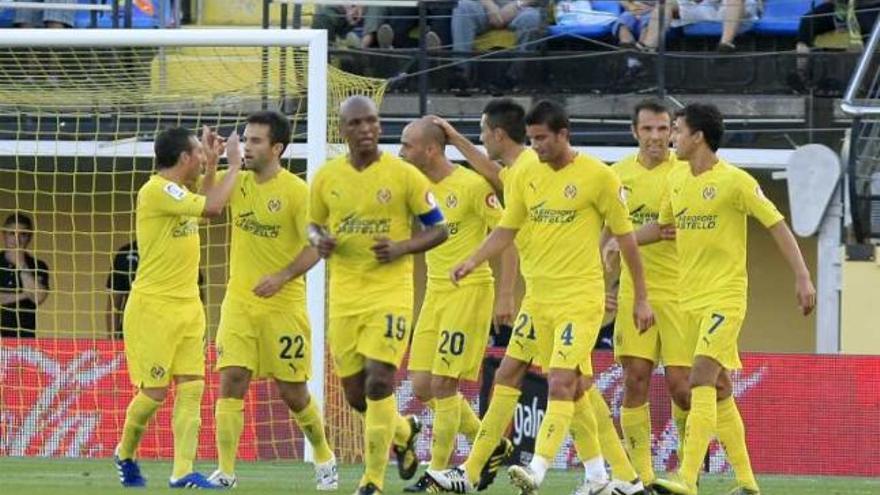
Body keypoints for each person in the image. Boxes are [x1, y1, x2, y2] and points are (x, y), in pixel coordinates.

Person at [427, 100, 653, 495]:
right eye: (532, 140)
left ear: (564, 134)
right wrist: (471, 259)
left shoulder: (599, 177)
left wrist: (640, 298)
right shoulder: (526, 172)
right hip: (538, 299)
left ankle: (538, 468)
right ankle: (609, 477)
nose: (537, 147)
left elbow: (627, 240)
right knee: (519, 374)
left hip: (579, 299)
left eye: (543, 139)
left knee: (563, 382)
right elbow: (506, 229)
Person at [644, 104, 816, 495]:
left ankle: (687, 480)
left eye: (677, 130)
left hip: (725, 297)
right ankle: (747, 484)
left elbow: (776, 223)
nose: (671, 137)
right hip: (688, 300)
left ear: (698, 137)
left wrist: (803, 276)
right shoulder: (676, 179)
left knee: (700, 379)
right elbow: (662, 227)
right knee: (719, 389)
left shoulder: (735, 182)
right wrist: (614, 242)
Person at [308, 96, 449, 495]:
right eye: (356, 123)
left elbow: (439, 228)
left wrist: (402, 247)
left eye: (372, 121)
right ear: (343, 130)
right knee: (356, 395)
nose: (366, 129)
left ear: (380, 127)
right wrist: (320, 240)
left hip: (390, 293)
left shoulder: (404, 176)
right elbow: (312, 225)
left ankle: (372, 482)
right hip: (345, 296)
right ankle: (404, 431)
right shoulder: (326, 177)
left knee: (379, 382)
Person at [203, 111, 337, 490]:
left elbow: (320, 246)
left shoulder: (297, 192)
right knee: (231, 379)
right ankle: (226, 472)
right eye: (245, 138)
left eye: (256, 140)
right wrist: (215, 164)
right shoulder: (238, 180)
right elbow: (207, 206)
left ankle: (324, 458)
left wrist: (282, 276)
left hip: (283, 306)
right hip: (239, 303)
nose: (246, 145)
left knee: (293, 392)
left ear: (276, 147)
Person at [113, 125, 241, 489]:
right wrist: (234, 165)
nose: (202, 156)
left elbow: (201, 208)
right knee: (154, 394)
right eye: (199, 152)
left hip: (189, 306)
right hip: (153, 309)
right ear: (184, 157)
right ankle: (124, 452)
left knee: (192, 387)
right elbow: (214, 207)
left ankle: (182, 472)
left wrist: (214, 163)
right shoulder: (156, 190)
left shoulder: (179, 193)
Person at [397, 117, 516, 492]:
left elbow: (507, 237)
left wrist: (506, 294)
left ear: (430, 150)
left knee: (444, 383)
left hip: (470, 291)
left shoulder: (471, 185)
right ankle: (492, 444)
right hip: (434, 293)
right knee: (420, 385)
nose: (400, 152)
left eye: (406, 145)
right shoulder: (414, 187)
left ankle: (437, 472)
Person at [600, 99, 692, 488]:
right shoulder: (615, 176)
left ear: (672, 131)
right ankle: (642, 477)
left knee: (683, 387)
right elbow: (605, 238)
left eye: (663, 129)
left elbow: (676, 229)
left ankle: (687, 473)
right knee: (635, 378)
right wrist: (601, 284)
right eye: (648, 129)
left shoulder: (687, 172)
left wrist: (627, 240)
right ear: (634, 131)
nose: (656, 137)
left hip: (680, 293)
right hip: (632, 296)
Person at [105, 241, 205, 338]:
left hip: (174, 331)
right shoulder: (126, 254)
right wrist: (112, 343)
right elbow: (114, 305)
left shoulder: (181, 252)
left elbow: (198, 296)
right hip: (135, 332)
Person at [0, 212, 49, 339]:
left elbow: (38, 297)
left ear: (29, 237)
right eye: (12, 233)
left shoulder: (38, 265)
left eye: (22, 234)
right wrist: (26, 294)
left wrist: (21, 263)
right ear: (3, 235)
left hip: (25, 338)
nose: (17, 239)